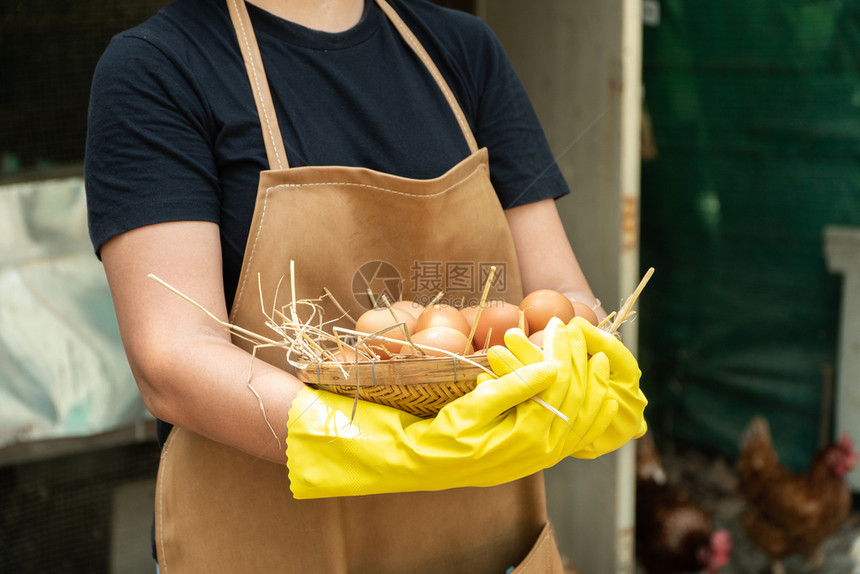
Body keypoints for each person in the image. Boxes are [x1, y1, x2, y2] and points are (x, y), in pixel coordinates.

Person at [85, 0, 647, 572]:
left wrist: (569, 358)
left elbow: (561, 295)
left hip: (488, 547)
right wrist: (366, 438)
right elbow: (174, 356)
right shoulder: (160, 67)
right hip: (269, 547)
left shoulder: (462, 52)